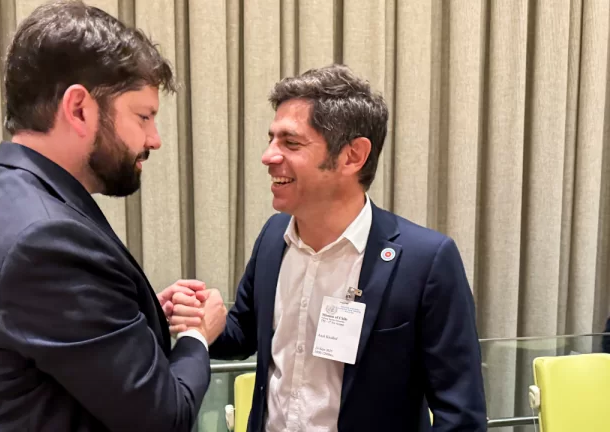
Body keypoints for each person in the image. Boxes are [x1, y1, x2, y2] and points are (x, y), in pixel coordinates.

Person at [0, 1, 225, 431]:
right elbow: (165, 418)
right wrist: (197, 337)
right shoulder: (44, 240)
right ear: (78, 109)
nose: (155, 139)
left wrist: (134, 315)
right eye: (143, 116)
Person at [171, 64, 487, 431]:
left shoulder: (425, 261)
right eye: (271, 139)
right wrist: (199, 319)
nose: (268, 156)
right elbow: (244, 332)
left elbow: (460, 415)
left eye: (290, 142)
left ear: (352, 156)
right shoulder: (275, 236)